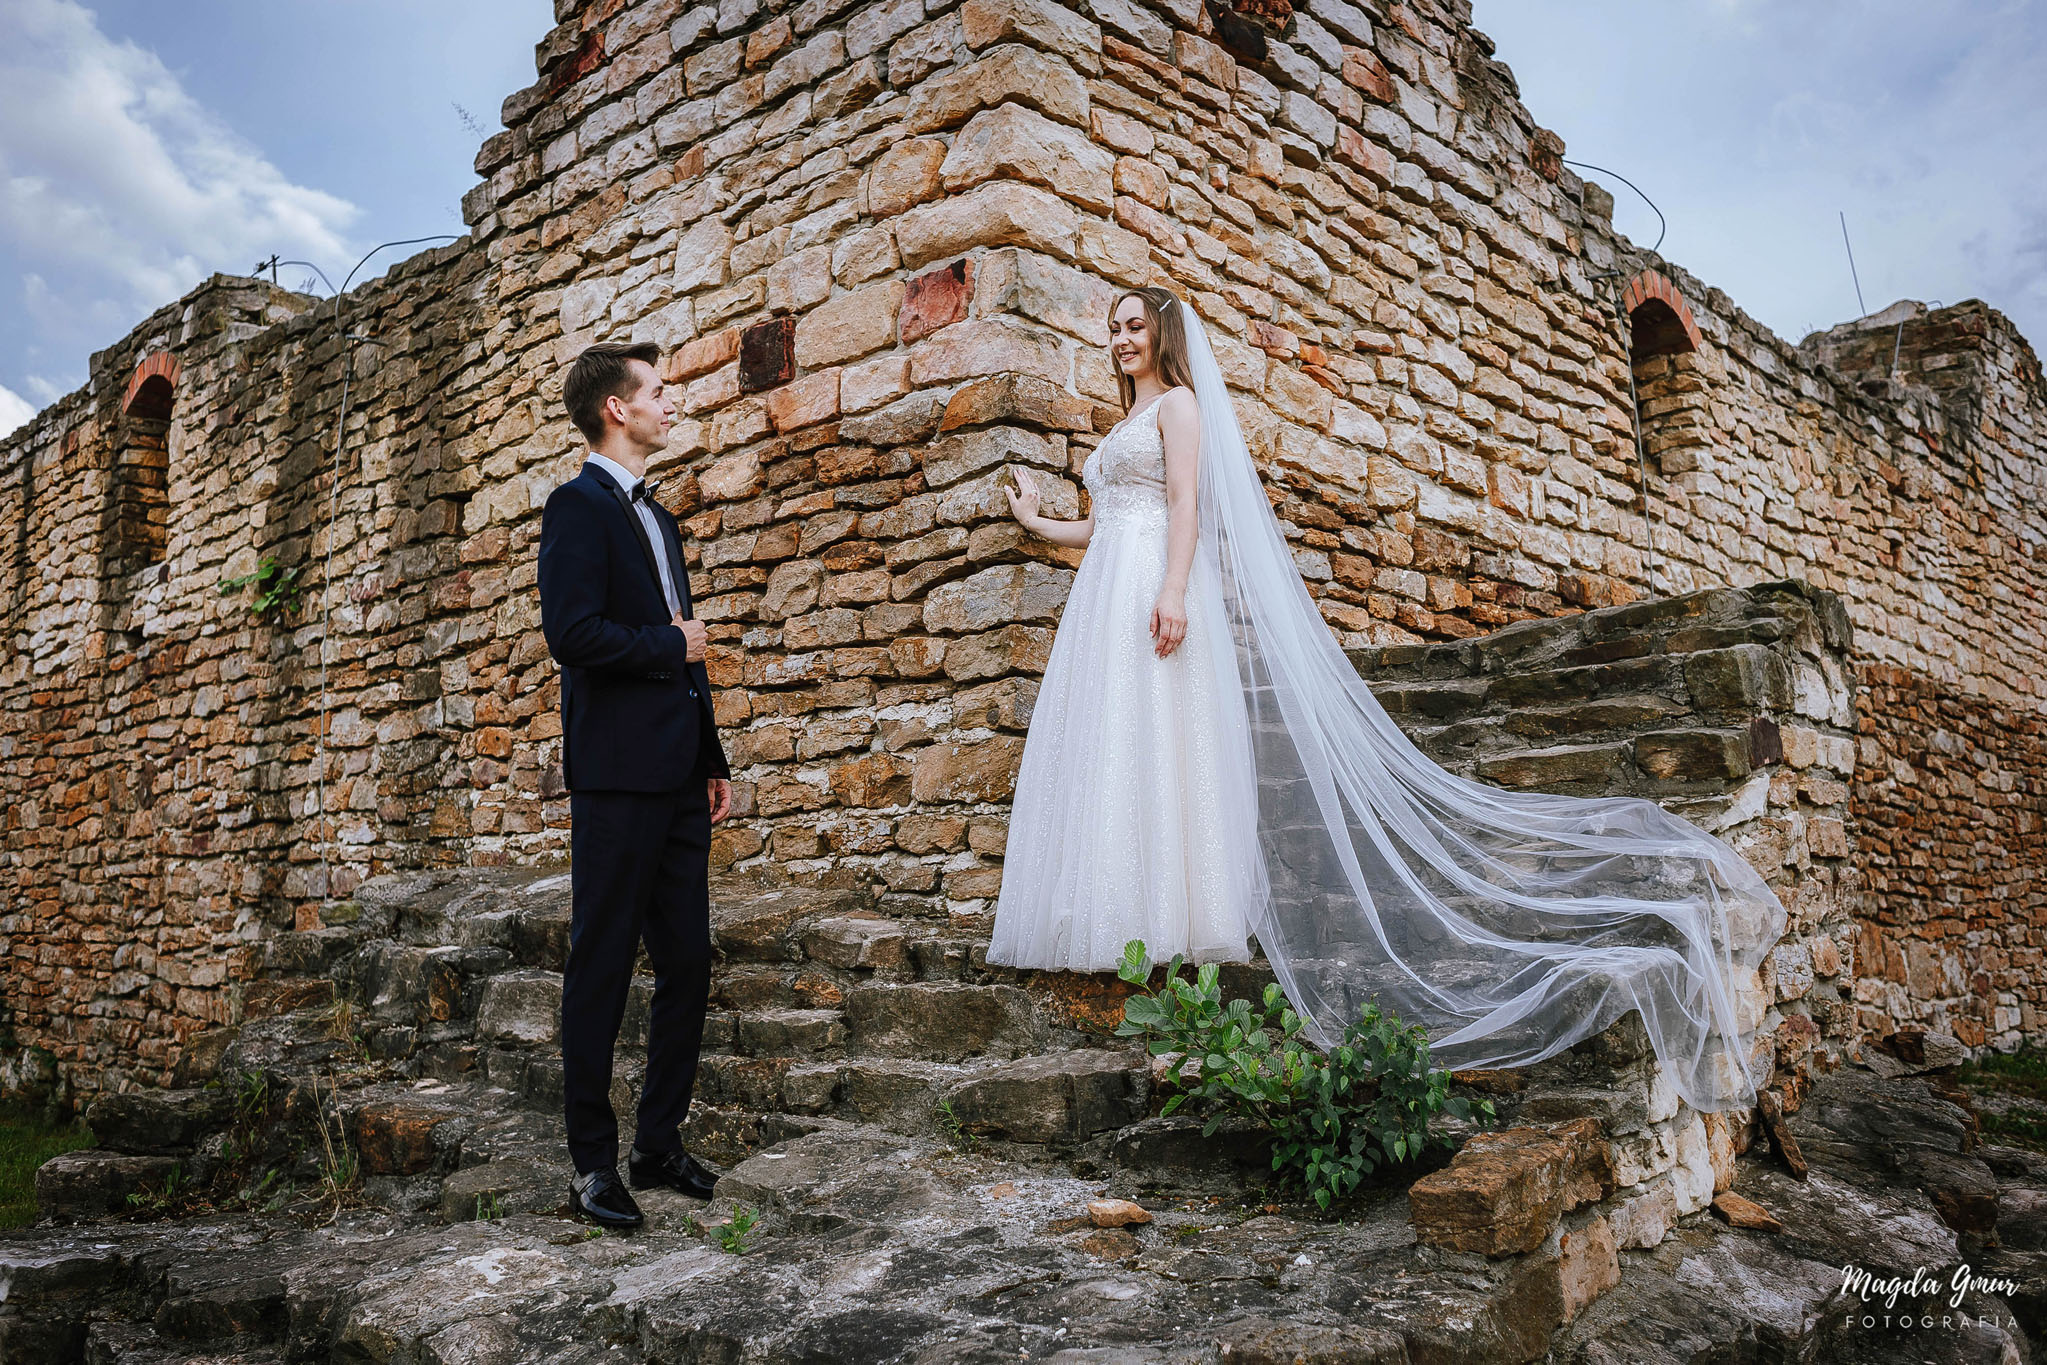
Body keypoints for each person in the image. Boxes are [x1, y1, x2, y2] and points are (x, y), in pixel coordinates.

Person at [989, 287, 1788, 1115]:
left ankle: (1159, 918)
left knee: (1152, 744)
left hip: (1152, 588)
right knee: (1114, 750)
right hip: (1105, 596)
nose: (1120, 338)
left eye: (1133, 325)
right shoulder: (1126, 421)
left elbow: (1186, 505)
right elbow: (1109, 522)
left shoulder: (1182, 406)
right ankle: (1110, 908)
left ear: (1161, 333)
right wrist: (1039, 524)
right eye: (1111, 326)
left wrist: (1176, 590)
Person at [538, 341, 733, 1229]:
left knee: (688, 961)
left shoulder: (661, 519)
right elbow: (572, 634)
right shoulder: (574, 508)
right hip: (615, 775)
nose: (671, 399)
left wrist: (712, 756)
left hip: (678, 769)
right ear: (616, 408)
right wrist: (670, 645)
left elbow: (685, 645)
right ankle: (591, 1165)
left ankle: (657, 1142)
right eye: (658, 390)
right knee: (603, 963)